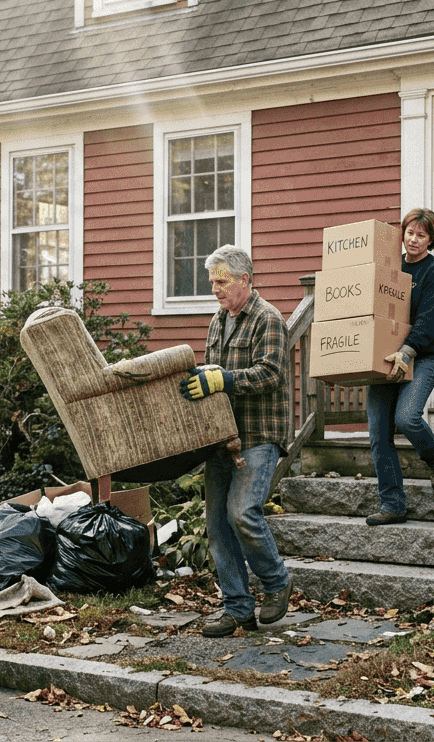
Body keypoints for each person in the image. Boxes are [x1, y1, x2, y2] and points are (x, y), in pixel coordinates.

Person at [179, 245, 294, 637]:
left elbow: (271, 374)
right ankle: (237, 609)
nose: (215, 288)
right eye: (212, 281)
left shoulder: (268, 319)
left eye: (222, 281)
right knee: (216, 524)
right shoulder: (218, 320)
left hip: (259, 434)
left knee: (242, 513)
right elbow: (212, 375)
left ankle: (277, 582)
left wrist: (224, 379)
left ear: (245, 280)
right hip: (221, 437)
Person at [364, 208, 434, 526]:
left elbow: (429, 322)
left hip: (423, 355)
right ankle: (392, 504)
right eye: (409, 233)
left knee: (406, 417)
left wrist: (407, 352)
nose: (413, 239)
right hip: (384, 357)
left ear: (431, 240)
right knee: (378, 432)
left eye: (421, 235)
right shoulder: (392, 267)